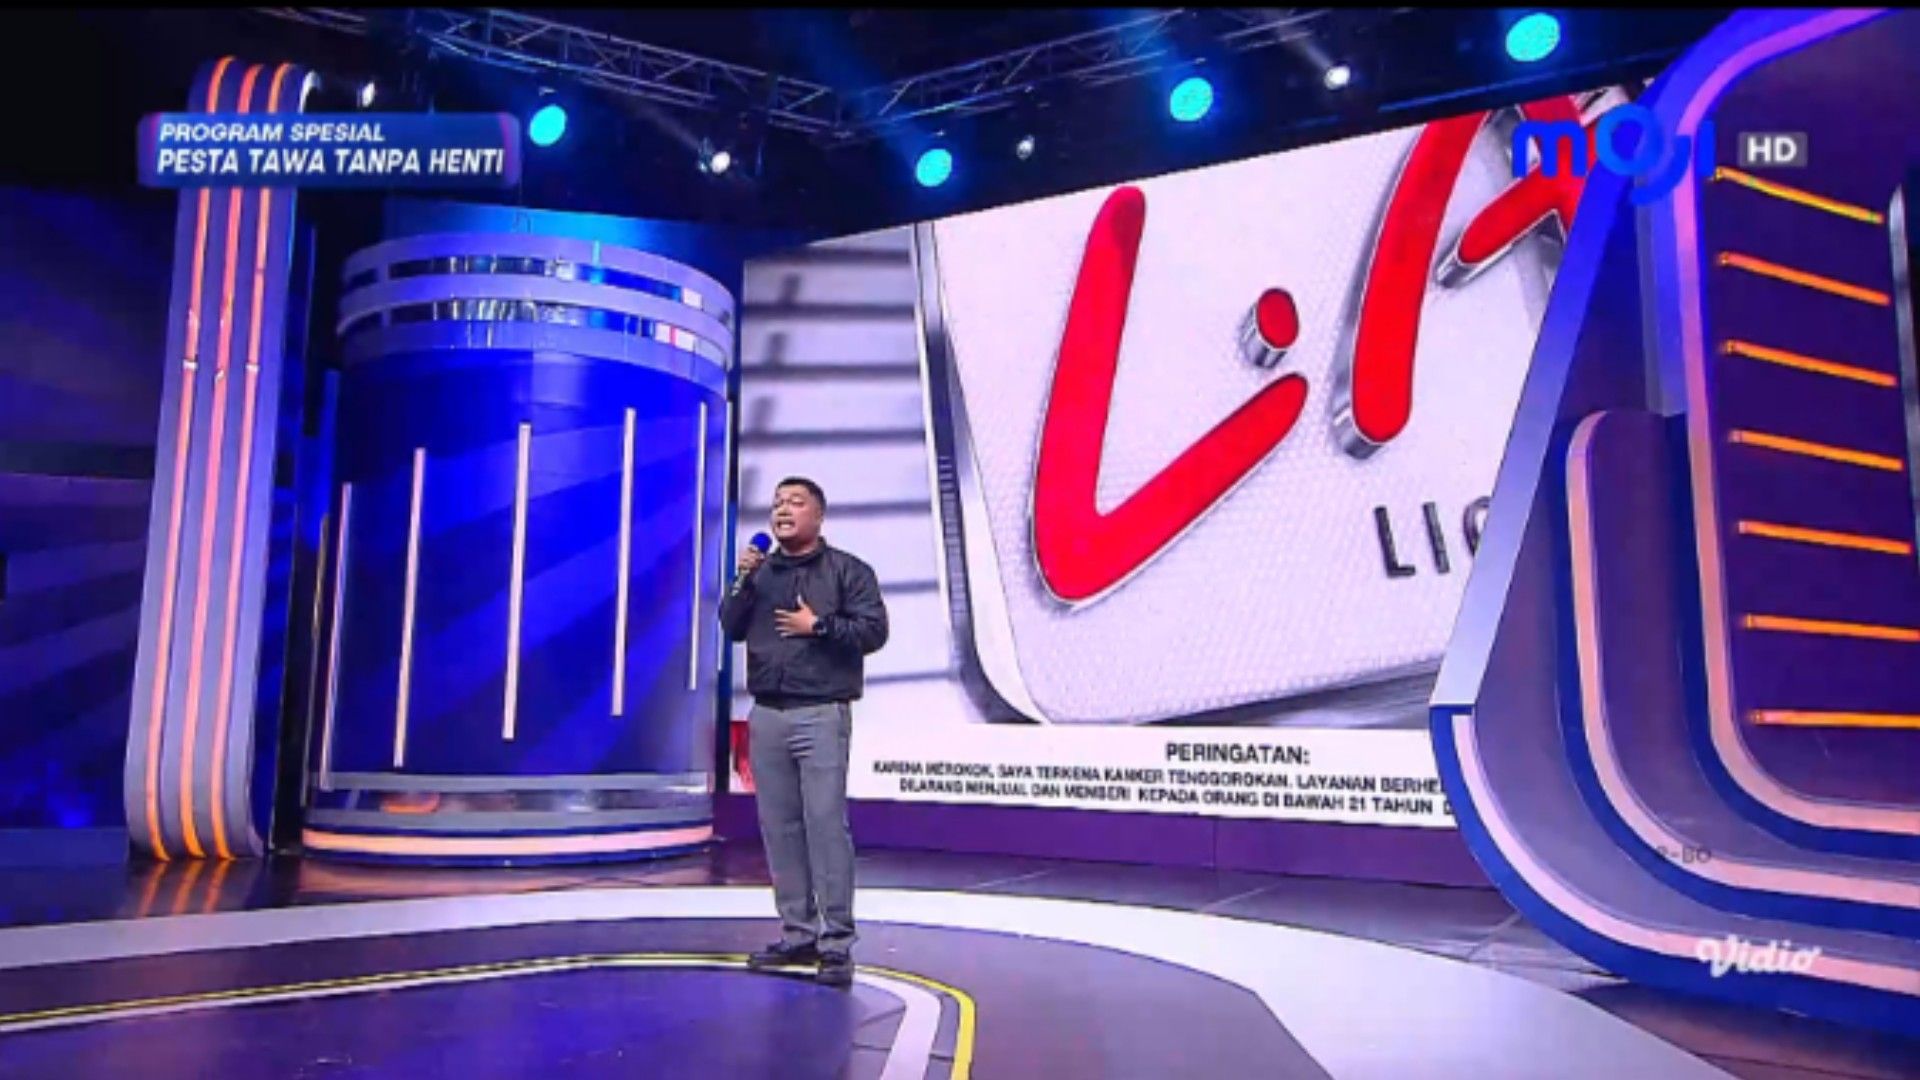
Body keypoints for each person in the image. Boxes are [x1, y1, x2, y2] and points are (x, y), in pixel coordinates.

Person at [720, 476, 889, 987]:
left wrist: (818, 626)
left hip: (821, 713)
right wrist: (742, 579)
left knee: (825, 825)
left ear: (818, 515)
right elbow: (730, 626)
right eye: (777, 503)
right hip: (767, 715)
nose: (783, 510)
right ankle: (798, 934)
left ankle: (836, 943)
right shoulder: (760, 572)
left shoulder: (848, 571)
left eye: (795, 502)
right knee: (779, 828)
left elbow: (874, 632)